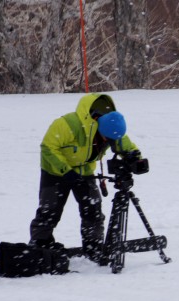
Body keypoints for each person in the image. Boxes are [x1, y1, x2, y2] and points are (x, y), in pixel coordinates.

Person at [29, 93, 142, 262]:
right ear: (97, 126)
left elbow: (124, 144)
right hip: (54, 171)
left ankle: (93, 246)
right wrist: (66, 171)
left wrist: (135, 158)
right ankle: (40, 244)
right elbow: (48, 148)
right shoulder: (68, 124)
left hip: (85, 172)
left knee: (93, 210)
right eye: (107, 139)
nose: (108, 142)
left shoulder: (111, 127)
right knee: (50, 210)